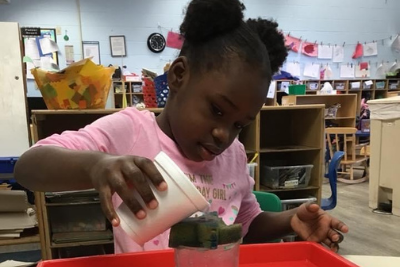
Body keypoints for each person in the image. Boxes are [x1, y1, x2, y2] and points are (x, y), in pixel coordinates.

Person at [15, 0, 348, 254]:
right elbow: (29, 166)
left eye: (239, 125)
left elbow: (245, 224)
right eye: (216, 110)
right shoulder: (130, 131)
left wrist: (289, 220)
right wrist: (97, 166)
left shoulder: (233, 155)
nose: (223, 134)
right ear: (178, 76)